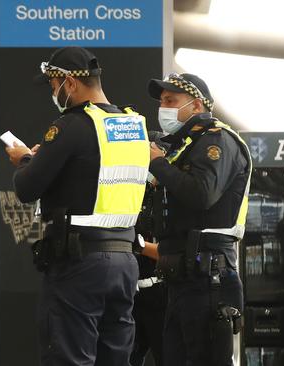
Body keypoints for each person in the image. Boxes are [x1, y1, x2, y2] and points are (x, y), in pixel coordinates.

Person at [5, 47, 150, 366]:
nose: (52, 92)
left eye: (52, 84)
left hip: (81, 263)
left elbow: (27, 187)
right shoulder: (134, 125)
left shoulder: (72, 125)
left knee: (69, 357)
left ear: (69, 83)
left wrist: (25, 159)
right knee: (115, 358)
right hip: (125, 262)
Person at [144, 73, 251, 365]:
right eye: (161, 101)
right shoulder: (184, 146)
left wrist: (157, 164)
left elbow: (202, 194)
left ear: (196, 105)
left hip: (209, 276)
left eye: (171, 100)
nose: (163, 107)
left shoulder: (218, 140)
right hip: (181, 277)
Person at [129, 132, 169, 366]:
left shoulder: (173, 195)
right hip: (131, 294)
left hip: (163, 293)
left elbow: (174, 250)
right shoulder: (136, 193)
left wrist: (138, 245)